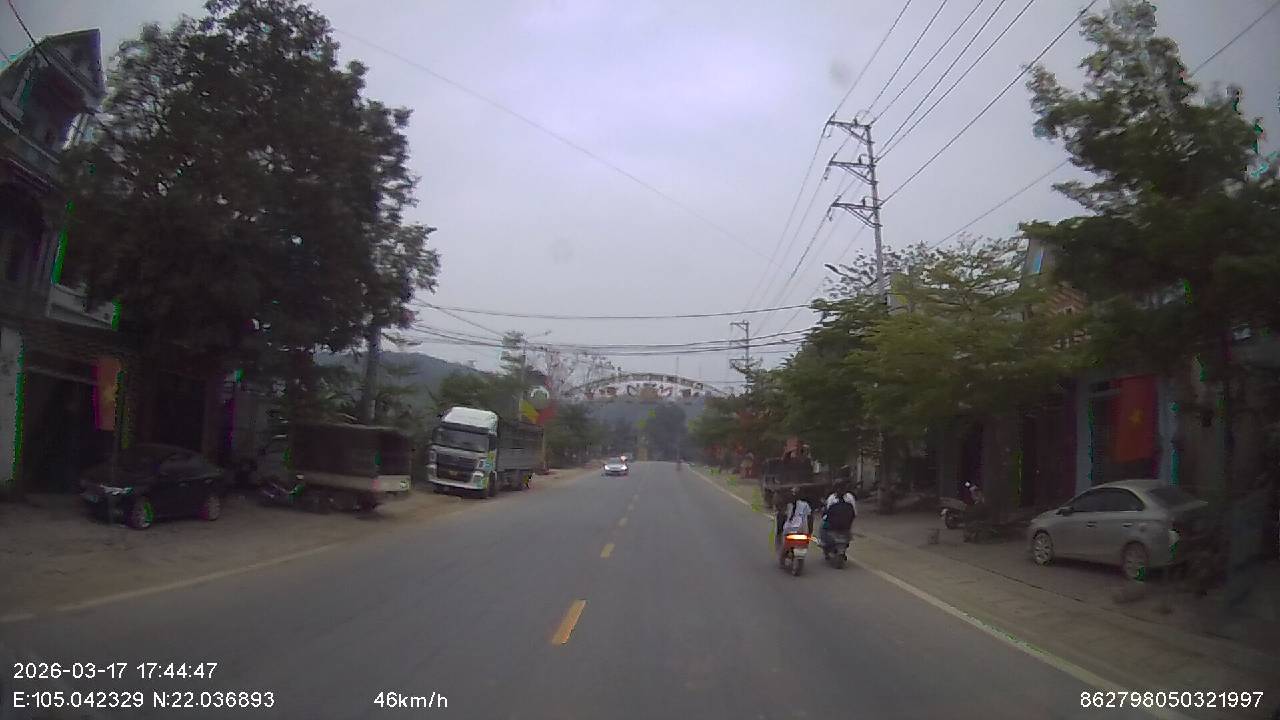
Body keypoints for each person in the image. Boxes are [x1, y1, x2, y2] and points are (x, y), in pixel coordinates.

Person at [774, 487, 814, 554]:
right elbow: (810, 519)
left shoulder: (787, 506)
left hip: (789, 530)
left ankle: (781, 550)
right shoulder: (805, 505)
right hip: (802, 531)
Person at [821, 483, 857, 548]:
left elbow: (827, 513)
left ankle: (823, 543)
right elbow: (854, 513)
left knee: (822, 526)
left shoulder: (831, 498)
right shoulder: (850, 497)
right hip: (846, 527)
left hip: (833, 526)